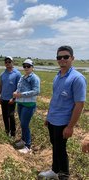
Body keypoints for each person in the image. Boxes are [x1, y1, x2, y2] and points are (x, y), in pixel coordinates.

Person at [38, 46, 87, 180]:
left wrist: (70, 126)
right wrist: (48, 116)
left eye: (66, 57)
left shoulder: (77, 78)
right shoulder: (58, 76)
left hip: (63, 122)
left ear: (72, 58)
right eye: (59, 57)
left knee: (60, 149)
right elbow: (54, 99)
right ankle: (54, 170)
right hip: (53, 119)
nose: (62, 60)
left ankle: (64, 174)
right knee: (55, 146)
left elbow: (79, 105)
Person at [13, 58, 40, 153]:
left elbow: (36, 91)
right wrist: (16, 92)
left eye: (28, 66)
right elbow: (19, 88)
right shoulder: (22, 77)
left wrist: (21, 95)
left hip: (29, 104)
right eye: (24, 66)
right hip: (20, 103)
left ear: (32, 67)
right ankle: (23, 141)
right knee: (22, 123)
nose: (26, 68)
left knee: (25, 124)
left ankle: (28, 146)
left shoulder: (34, 78)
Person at [0, 56, 21, 137]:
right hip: (3, 98)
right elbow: (0, 85)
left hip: (11, 100)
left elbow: (19, 88)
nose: (7, 63)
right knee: (4, 115)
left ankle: (13, 133)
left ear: (12, 62)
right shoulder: (3, 74)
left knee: (11, 115)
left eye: (9, 62)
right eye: (6, 62)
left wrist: (14, 98)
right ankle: (7, 131)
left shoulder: (17, 74)